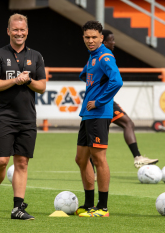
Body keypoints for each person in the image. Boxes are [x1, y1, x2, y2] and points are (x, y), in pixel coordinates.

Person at [0, 13, 46, 220]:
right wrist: (15, 80)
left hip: (27, 118)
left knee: (22, 163)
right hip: (4, 116)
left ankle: (17, 208)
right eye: (15, 29)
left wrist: (28, 82)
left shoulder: (36, 56)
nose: (19, 33)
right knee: (1, 160)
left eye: (22, 30)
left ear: (27, 31)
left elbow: (42, 87)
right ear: (8, 31)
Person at [74, 21, 123, 217]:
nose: (91, 40)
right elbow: (91, 76)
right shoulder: (93, 56)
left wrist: (99, 100)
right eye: (87, 37)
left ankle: (102, 207)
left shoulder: (105, 55)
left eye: (94, 37)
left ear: (101, 37)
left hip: (99, 114)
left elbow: (117, 80)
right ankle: (88, 204)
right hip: (88, 115)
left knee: (99, 159)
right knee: (80, 159)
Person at [102, 29, 159, 168]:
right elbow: (116, 81)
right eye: (112, 40)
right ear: (104, 42)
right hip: (103, 100)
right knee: (100, 136)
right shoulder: (105, 56)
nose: (114, 43)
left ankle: (137, 157)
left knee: (126, 124)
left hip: (104, 99)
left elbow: (84, 75)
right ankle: (137, 157)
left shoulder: (98, 56)